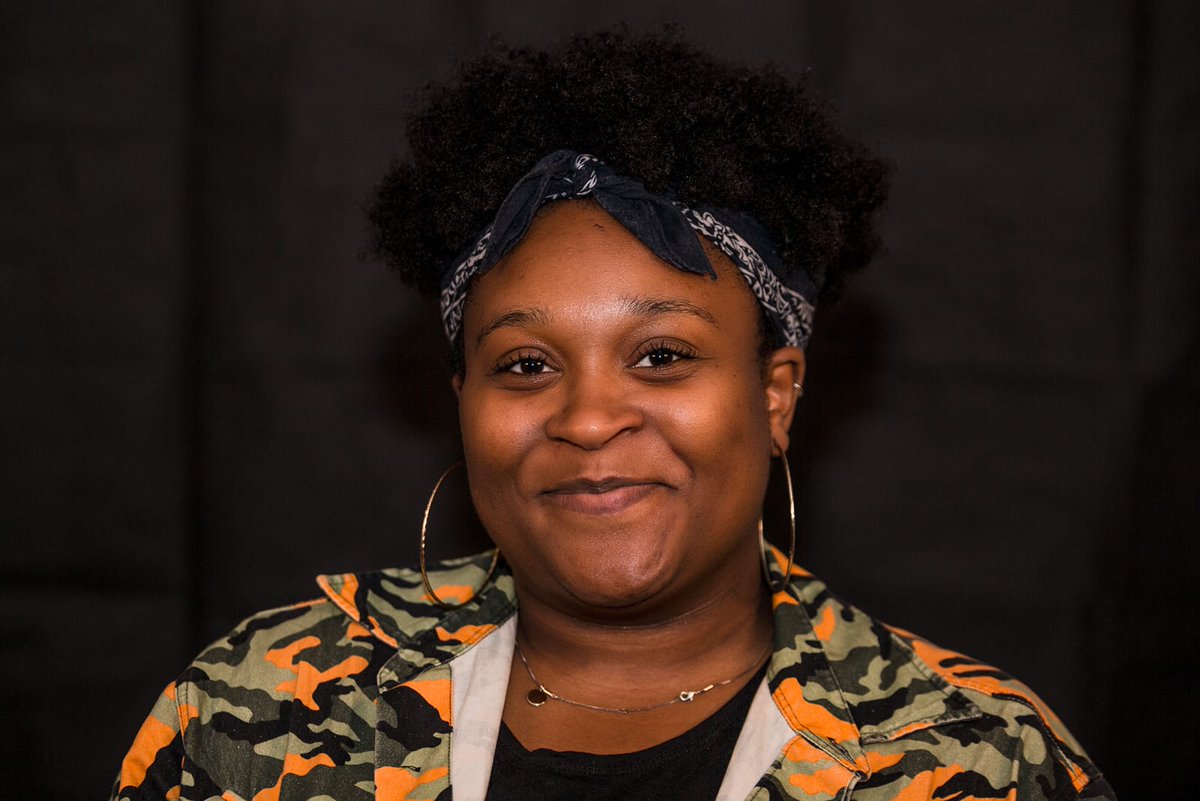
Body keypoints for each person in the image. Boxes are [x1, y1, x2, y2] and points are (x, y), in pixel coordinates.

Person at [111, 30, 1117, 801]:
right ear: (462, 403)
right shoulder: (256, 711)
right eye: (526, 363)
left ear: (777, 394)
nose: (589, 419)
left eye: (662, 355)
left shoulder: (974, 757)